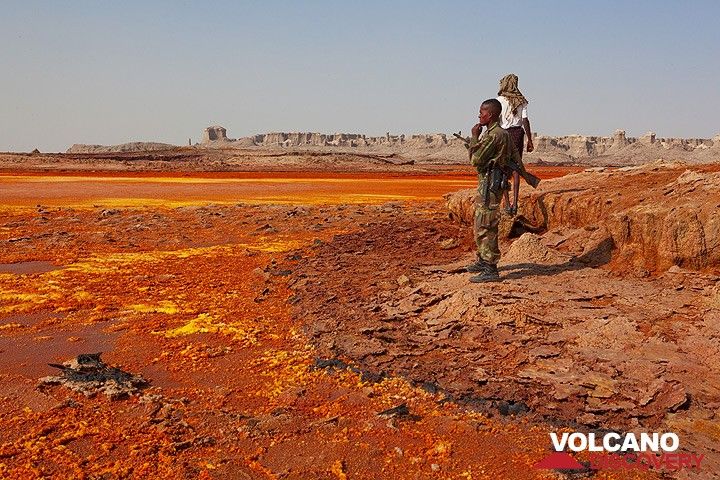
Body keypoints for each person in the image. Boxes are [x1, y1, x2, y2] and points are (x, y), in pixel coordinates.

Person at [465, 98, 516, 283]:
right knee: (481, 223)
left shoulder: (494, 135)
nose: (479, 116)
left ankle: (490, 268)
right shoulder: (502, 134)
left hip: (490, 186)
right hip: (490, 184)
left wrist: (474, 138)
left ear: (491, 114)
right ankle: (482, 260)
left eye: (482, 112)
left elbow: (476, 160)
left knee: (486, 225)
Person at [497, 73, 533, 215]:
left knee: (503, 168)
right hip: (517, 134)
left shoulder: (498, 100)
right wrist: (529, 140)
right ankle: (515, 203)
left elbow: (495, 120)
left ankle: (506, 203)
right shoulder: (521, 100)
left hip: (503, 134)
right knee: (516, 168)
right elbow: (525, 121)